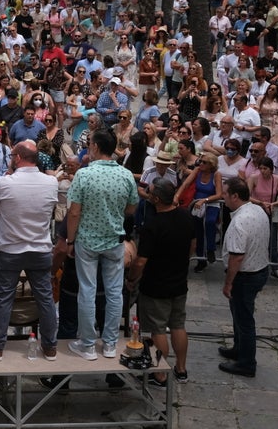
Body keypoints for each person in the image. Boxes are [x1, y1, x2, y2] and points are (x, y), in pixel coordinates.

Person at [65, 128, 138, 360]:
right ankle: (109, 343)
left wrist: (70, 239)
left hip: (87, 240)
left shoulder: (84, 175)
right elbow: (132, 207)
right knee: (114, 292)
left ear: (95, 146)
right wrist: (115, 215)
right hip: (114, 240)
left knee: (87, 290)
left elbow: (74, 212)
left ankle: (87, 344)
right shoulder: (125, 174)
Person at [0, 142, 58, 361]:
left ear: (17, 158)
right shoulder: (51, 182)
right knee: (44, 298)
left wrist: (8, 174)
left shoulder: (4, 182)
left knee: (4, 298)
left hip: (10, 249)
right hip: (39, 247)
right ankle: (50, 346)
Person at [127, 177, 194, 386]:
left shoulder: (153, 225)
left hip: (156, 284)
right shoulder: (185, 217)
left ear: (155, 198)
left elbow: (140, 261)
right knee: (178, 325)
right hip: (178, 281)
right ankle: (181, 369)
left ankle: (160, 374)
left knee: (157, 330)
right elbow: (193, 244)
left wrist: (131, 279)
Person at [219, 177, 271, 377]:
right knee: (239, 313)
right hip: (259, 270)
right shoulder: (257, 210)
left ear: (235, 196)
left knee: (244, 319)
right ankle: (238, 348)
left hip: (246, 275)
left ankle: (247, 363)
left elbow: (237, 256)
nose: (222, 197)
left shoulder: (240, 221)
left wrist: (228, 283)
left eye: (225, 194)